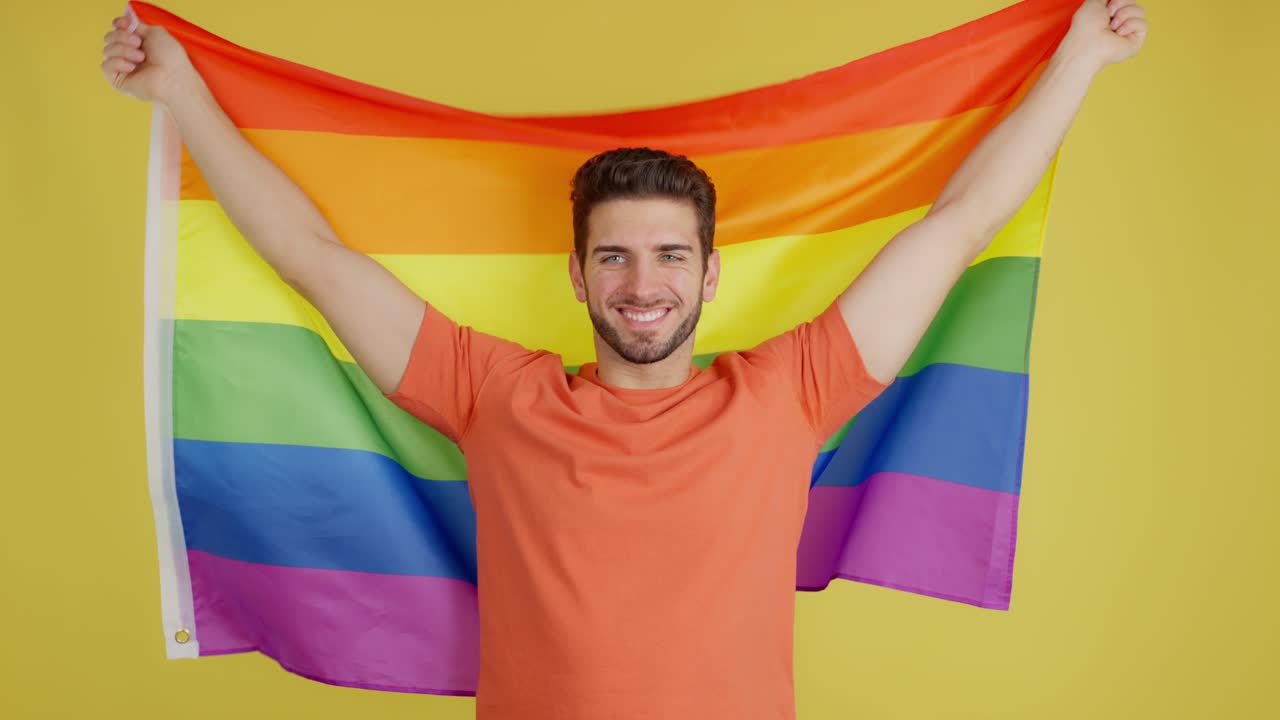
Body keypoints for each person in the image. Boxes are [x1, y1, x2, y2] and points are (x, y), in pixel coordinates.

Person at [102, 1, 1147, 717]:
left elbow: (959, 224)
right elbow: (310, 256)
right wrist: (181, 93)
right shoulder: (491, 392)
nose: (642, 283)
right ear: (576, 273)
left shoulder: (790, 391)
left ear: (709, 273)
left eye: (668, 255)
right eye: (614, 255)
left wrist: (1079, 61)